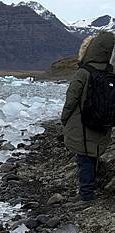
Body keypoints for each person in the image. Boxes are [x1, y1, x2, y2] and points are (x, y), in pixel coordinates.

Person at [61, 31, 115, 202]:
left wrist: (65, 118)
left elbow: (72, 98)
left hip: (82, 125)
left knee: (84, 159)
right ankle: (90, 188)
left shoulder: (84, 72)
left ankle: (86, 194)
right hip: (102, 124)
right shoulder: (110, 72)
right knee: (93, 156)